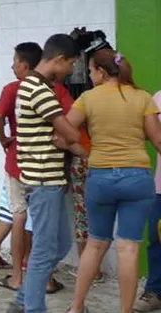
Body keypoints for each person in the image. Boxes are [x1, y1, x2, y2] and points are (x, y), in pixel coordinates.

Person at [65, 50, 161, 313]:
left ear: (102, 72)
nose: (89, 75)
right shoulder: (142, 97)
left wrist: (83, 152)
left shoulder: (87, 98)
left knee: (95, 244)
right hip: (137, 178)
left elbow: (64, 134)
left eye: (91, 71)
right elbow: (158, 140)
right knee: (128, 248)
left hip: (101, 177)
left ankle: (76, 308)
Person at [7, 34, 85, 313]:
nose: (72, 71)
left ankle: (22, 299)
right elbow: (71, 133)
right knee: (43, 250)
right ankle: (33, 307)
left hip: (48, 181)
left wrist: (65, 137)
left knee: (60, 243)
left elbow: (64, 135)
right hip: (43, 182)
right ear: (59, 59)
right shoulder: (38, 90)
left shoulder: (38, 86)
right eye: (72, 64)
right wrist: (71, 138)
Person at [0, 43, 68, 294]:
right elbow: (73, 117)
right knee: (42, 226)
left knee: (19, 216)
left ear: (25, 64)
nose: (13, 66)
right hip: (46, 167)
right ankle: (44, 279)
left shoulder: (14, 88)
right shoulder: (54, 90)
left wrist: (3, 139)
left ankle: (17, 277)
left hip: (17, 161)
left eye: (15, 61)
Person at [133, 90, 161, 312]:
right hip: (160, 187)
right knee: (156, 238)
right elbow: (144, 132)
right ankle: (155, 291)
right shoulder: (158, 98)